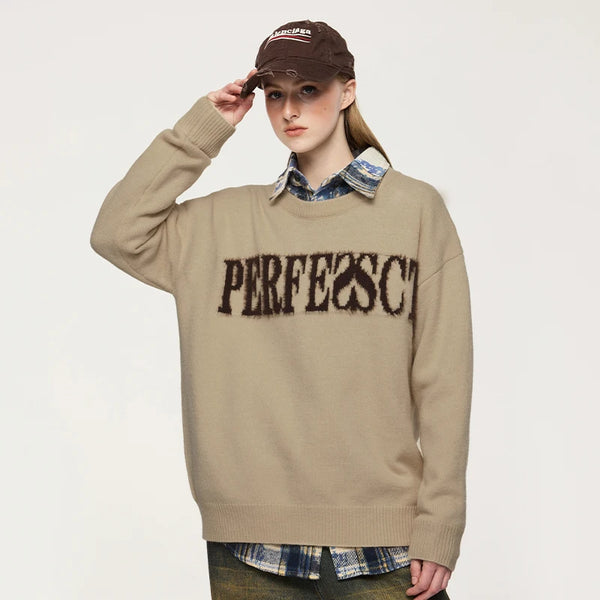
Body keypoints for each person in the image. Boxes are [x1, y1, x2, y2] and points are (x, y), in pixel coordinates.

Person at [90, 19, 473, 600]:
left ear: (347, 91)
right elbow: (117, 232)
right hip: (250, 548)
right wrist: (204, 129)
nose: (290, 110)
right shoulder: (221, 225)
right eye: (275, 94)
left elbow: (444, 378)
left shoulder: (414, 211)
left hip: (385, 544)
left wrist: (440, 524)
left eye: (309, 90)